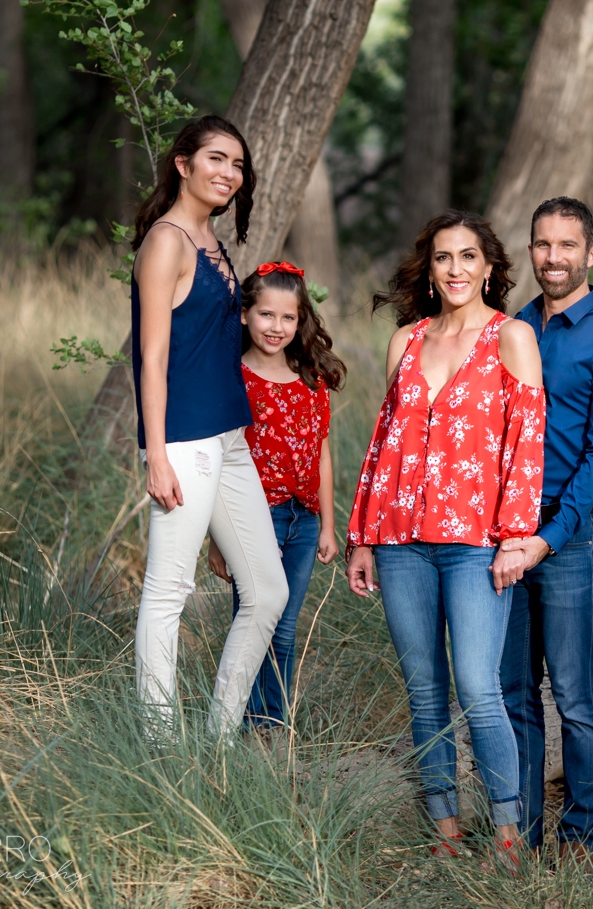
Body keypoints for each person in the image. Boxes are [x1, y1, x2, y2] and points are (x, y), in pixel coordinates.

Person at [345, 211, 545, 870]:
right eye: (442, 258)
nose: (455, 268)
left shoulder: (512, 336)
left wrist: (517, 535)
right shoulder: (406, 342)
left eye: (467, 256)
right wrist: (362, 536)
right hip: (401, 540)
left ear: (490, 267)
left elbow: (527, 444)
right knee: (424, 689)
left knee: (479, 688)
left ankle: (509, 837)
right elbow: (385, 444)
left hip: (475, 542)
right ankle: (445, 829)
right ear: (428, 270)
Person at [494, 196, 593, 861]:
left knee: (577, 695)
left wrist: (547, 538)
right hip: (504, 537)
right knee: (512, 693)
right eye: (541, 244)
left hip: (573, 538)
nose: (552, 257)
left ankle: (580, 833)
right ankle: (520, 834)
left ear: (592, 254)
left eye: (566, 246)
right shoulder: (512, 327)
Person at [130, 115, 289, 736]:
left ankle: (219, 734)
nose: (229, 173)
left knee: (267, 592)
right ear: (183, 164)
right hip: (185, 441)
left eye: (238, 165)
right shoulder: (167, 240)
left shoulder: (212, 242)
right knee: (169, 590)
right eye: (217, 159)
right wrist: (158, 454)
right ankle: (157, 743)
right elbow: (152, 355)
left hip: (229, 437)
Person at [207, 261, 345, 730]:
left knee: (284, 629)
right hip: (250, 519)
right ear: (245, 314)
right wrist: (216, 539)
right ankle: (237, 723)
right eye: (267, 315)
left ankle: (271, 726)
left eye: (288, 318)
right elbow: (220, 466)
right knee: (254, 619)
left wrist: (327, 524)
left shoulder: (312, 380)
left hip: (304, 521)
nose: (277, 327)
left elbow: (321, 452)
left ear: (300, 320)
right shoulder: (232, 378)